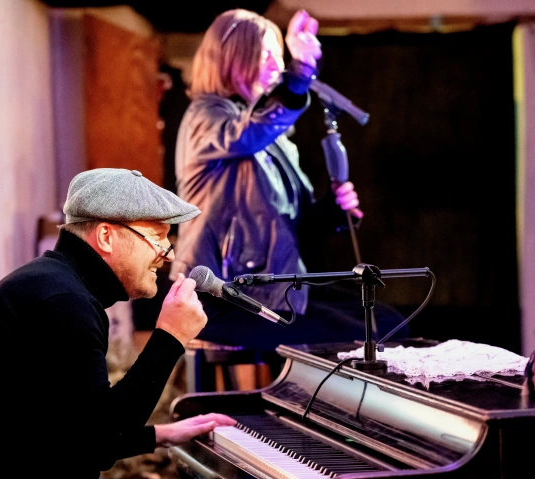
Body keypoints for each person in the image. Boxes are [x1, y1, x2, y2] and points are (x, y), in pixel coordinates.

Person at [0, 168, 236, 479]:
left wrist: (161, 435)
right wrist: (171, 336)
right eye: (157, 237)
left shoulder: (56, 284)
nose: (167, 255)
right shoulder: (64, 301)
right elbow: (99, 442)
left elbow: (74, 431)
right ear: (106, 237)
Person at [170, 8, 408, 370]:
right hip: (224, 295)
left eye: (279, 56)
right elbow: (249, 132)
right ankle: (303, 403)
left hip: (273, 289)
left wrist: (331, 211)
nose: (275, 65)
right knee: (369, 334)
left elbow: (296, 224)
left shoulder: (274, 137)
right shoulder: (207, 118)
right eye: (265, 54)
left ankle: (315, 403)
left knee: (389, 323)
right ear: (232, 58)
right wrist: (300, 72)